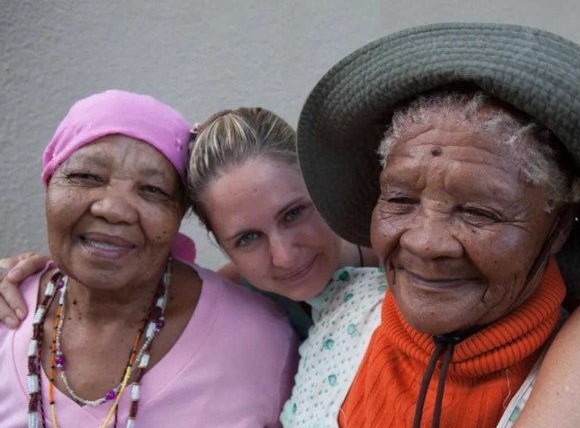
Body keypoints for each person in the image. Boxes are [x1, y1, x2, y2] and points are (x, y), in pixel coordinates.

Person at [279, 23, 580, 428]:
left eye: (477, 212)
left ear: (558, 228)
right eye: (400, 200)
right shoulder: (343, 312)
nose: (426, 243)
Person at [0, 90, 297, 428]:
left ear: (179, 216)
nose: (113, 208)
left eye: (152, 190)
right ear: (49, 181)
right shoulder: (7, 310)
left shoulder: (260, 339)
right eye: (86, 176)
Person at [0, 107, 377, 340]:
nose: (283, 256)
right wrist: (40, 279)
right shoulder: (237, 298)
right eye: (247, 238)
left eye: (294, 213)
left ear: (321, 186)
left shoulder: (402, 260)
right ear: (219, 242)